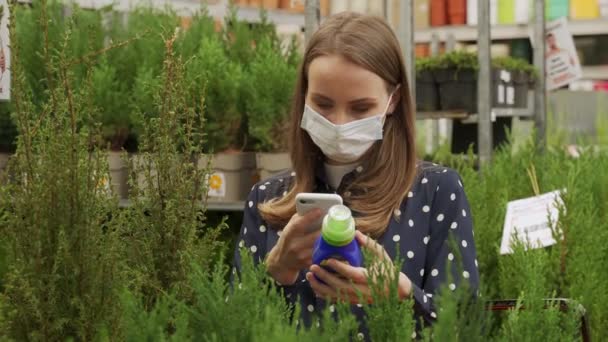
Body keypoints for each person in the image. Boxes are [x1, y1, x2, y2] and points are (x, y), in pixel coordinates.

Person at [231, 12, 479, 339]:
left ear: (394, 100)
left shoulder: (435, 191)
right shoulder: (268, 198)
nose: (340, 122)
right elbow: (231, 321)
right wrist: (277, 272)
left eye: (361, 108)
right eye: (323, 104)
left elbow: (465, 322)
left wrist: (403, 294)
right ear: (304, 95)